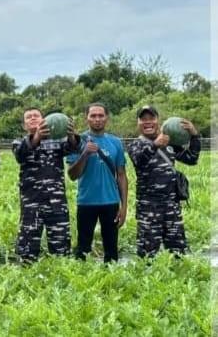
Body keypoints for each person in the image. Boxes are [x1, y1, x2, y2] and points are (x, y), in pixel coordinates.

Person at [127, 105, 200, 257]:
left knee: (178, 253)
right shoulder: (135, 145)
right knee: (147, 255)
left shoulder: (170, 143)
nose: (148, 122)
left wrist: (194, 135)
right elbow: (139, 160)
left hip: (172, 207)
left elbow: (191, 159)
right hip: (148, 208)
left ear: (158, 121)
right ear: (138, 122)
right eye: (143, 119)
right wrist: (155, 145)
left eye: (151, 118)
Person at [11, 108, 79, 262]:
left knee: (61, 249)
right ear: (24, 125)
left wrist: (71, 135)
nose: (33, 118)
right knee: (27, 250)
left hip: (56, 202)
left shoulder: (57, 141)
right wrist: (37, 137)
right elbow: (20, 155)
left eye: (36, 115)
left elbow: (73, 147)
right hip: (31, 203)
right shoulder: (19, 142)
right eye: (28, 117)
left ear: (44, 120)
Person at [67, 103, 128, 263]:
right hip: (86, 202)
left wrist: (124, 207)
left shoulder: (115, 142)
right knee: (83, 249)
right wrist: (85, 154)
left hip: (111, 202)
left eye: (101, 115)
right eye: (93, 115)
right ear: (86, 118)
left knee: (111, 250)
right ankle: (82, 276)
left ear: (107, 118)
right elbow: (72, 175)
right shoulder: (77, 141)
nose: (97, 119)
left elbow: (121, 175)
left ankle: (110, 277)